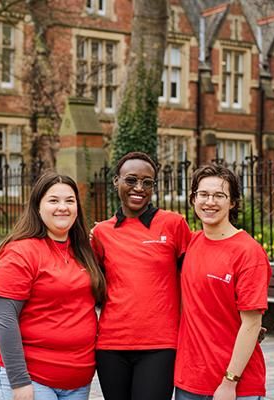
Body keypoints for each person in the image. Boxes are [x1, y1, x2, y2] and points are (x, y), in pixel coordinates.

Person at [0, 171, 106, 400]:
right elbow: (5, 320)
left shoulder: (82, 251)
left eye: (70, 201)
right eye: (53, 200)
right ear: (37, 207)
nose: (63, 207)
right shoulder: (19, 252)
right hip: (34, 379)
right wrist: (19, 383)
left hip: (78, 381)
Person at [90, 151, 192, 400]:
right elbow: (88, 286)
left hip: (160, 345)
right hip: (111, 346)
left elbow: (197, 278)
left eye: (147, 182)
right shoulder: (101, 233)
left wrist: (237, 319)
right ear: (116, 181)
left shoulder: (174, 224)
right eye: (131, 180)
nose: (139, 188)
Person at [174, 164, 271, 400]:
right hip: (190, 381)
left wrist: (230, 381)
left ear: (233, 202)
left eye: (219, 195)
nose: (210, 202)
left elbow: (251, 324)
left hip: (236, 386)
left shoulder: (248, 252)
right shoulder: (191, 243)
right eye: (203, 194)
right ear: (193, 199)